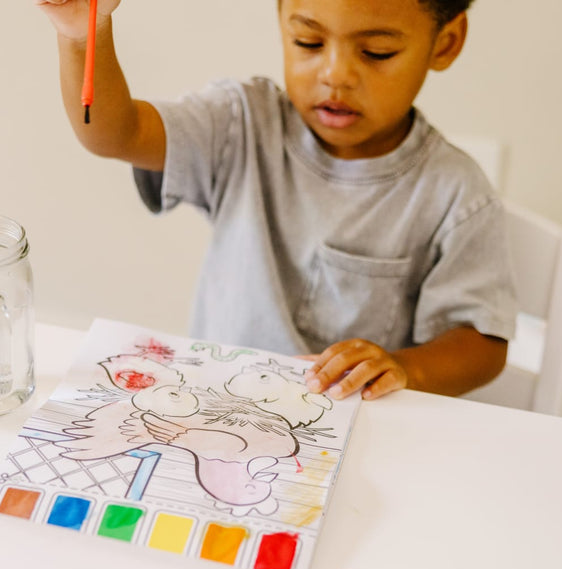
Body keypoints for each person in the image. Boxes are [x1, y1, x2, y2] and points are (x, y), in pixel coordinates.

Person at [35, 0, 517, 401]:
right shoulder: (240, 123)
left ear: (446, 43)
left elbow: (482, 343)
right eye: (308, 42)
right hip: (211, 403)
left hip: (354, 427)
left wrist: (405, 367)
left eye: (376, 52)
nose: (336, 74)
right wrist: (83, 35)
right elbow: (117, 134)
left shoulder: (455, 192)